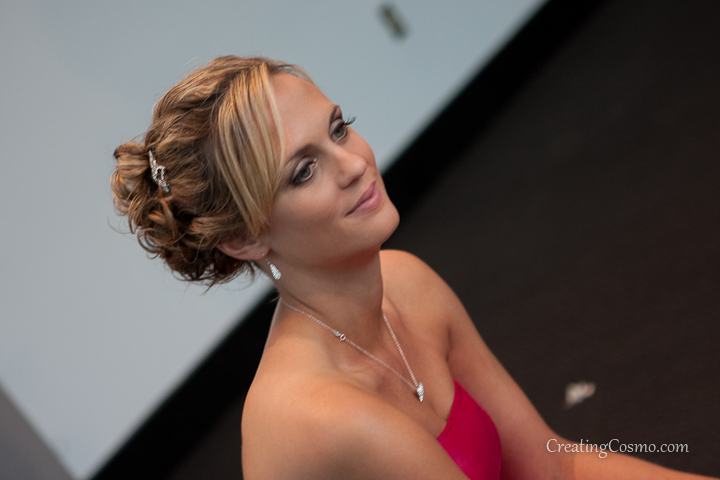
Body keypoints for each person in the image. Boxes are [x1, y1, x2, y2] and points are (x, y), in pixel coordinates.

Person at [112, 56, 716, 480]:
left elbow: (555, 467)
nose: (354, 164)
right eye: (304, 171)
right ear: (245, 238)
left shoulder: (405, 282)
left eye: (339, 129)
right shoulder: (320, 415)